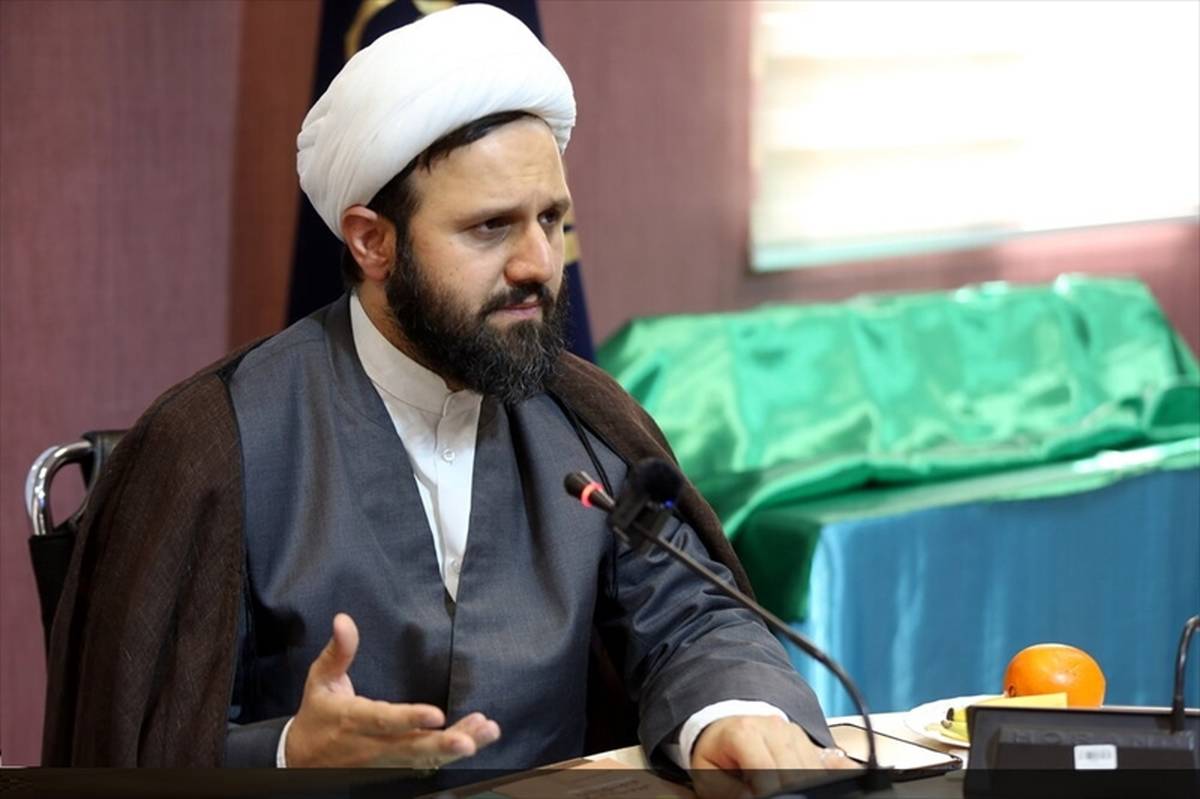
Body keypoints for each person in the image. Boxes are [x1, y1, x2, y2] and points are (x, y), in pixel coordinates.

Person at [43, 5, 854, 795]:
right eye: (491, 227)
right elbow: (132, 744)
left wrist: (729, 714)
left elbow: (691, 618)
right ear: (372, 240)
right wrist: (287, 755)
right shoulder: (215, 445)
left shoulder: (585, 421)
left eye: (551, 219)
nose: (539, 263)